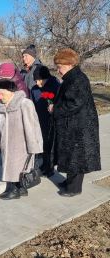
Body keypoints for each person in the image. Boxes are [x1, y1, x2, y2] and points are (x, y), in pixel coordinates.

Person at [51, 48, 101, 197]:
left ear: (69, 64)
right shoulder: (72, 77)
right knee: (71, 155)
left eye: (59, 67)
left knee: (76, 158)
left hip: (79, 127)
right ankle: (69, 182)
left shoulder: (77, 79)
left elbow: (74, 103)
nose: (58, 71)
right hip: (74, 124)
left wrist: (55, 108)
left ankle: (74, 188)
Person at [0, 80, 43, 200]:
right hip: (5, 144)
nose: (0, 96)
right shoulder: (1, 105)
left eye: (2, 93)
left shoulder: (24, 104)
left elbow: (32, 126)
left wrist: (34, 147)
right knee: (10, 166)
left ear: (10, 91)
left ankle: (14, 191)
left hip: (21, 145)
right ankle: (20, 189)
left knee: (16, 168)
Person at [30, 65, 60, 177]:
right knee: (43, 145)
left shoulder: (55, 86)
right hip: (40, 121)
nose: (37, 83)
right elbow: (32, 105)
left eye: (39, 80)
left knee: (50, 145)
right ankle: (45, 164)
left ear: (45, 78)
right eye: (35, 80)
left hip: (52, 121)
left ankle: (50, 167)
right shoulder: (35, 89)